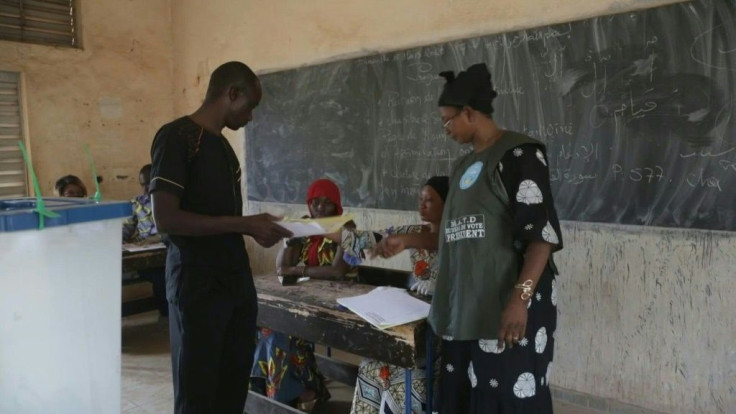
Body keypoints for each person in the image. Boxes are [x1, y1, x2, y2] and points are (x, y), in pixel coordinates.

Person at [373, 63, 563, 413]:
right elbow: (455, 237)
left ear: (470, 113)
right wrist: (408, 241)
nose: (445, 129)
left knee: (507, 398)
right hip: (464, 311)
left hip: (507, 309)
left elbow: (542, 237)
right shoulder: (461, 168)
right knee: (460, 400)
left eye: (448, 121)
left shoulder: (520, 154)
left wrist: (520, 300)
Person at [149, 61, 292, 414]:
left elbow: (220, 216)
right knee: (198, 391)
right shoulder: (176, 138)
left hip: (234, 281)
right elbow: (166, 218)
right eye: (250, 106)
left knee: (231, 385)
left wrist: (256, 229)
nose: (251, 117)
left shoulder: (225, 150)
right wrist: (243, 224)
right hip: (196, 282)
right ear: (232, 94)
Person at [343, 176, 448, 414]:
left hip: (442, 339)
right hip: (412, 327)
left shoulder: (461, 240)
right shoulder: (412, 232)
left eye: (429, 200)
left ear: (448, 203)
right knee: (370, 365)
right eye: (420, 199)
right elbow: (370, 239)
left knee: (408, 375)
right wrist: (325, 230)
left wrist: (439, 287)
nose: (421, 206)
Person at [250, 178, 351, 411]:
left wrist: (298, 270)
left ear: (336, 206)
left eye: (326, 203)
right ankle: (300, 390)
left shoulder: (346, 227)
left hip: (337, 306)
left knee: (278, 334)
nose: (319, 208)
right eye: (315, 203)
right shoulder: (304, 227)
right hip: (305, 301)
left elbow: (337, 271)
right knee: (265, 327)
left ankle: (285, 397)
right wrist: (290, 240)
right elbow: (280, 267)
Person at [122, 163, 168, 317]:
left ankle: (166, 314)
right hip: (144, 252)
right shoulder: (137, 203)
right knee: (157, 275)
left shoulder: (170, 201)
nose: (146, 189)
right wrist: (118, 240)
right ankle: (165, 312)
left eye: (149, 183)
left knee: (163, 275)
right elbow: (128, 227)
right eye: (143, 184)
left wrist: (157, 239)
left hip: (165, 249)